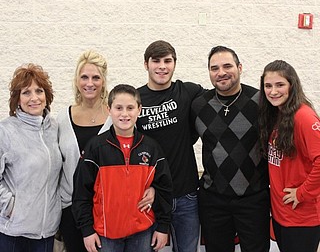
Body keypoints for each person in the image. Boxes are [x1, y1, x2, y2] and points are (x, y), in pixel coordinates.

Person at [57, 50, 154, 252]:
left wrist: (152, 189)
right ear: (76, 80)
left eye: (95, 77)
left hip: (109, 211)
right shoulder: (62, 119)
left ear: (103, 81)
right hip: (70, 208)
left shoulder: (118, 117)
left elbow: (140, 161)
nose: (89, 83)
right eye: (84, 77)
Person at [72, 84, 173, 252]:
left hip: (142, 233)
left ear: (139, 110)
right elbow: (81, 192)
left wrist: (163, 226)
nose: (124, 114)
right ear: (109, 109)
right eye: (118, 108)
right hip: (105, 234)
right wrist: (87, 230)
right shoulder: (96, 148)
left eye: (130, 108)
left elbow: (165, 187)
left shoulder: (151, 148)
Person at [191, 46, 270, 252]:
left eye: (227, 66)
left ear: (240, 68)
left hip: (253, 197)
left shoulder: (261, 101)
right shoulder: (199, 105)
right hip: (213, 199)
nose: (221, 72)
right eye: (214, 68)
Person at [136, 40, 205, 252]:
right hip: (150, 196)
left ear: (175, 63)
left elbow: (220, 101)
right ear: (146, 64)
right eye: (156, 61)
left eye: (167, 61)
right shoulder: (135, 98)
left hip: (186, 195)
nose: (162, 67)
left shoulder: (189, 92)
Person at [258, 60, 320, 252]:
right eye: (268, 86)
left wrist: (301, 193)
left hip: (302, 218)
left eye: (280, 85)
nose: (273, 91)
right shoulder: (278, 114)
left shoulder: (304, 117)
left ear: (292, 86)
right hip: (282, 215)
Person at [0, 64, 62, 252]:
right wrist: (10, 206)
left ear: (47, 96)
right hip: (14, 232)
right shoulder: (6, 131)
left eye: (39, 91)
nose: (34, 98)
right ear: (18, 99)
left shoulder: (54, 127)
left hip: (46, 232)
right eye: (26, 92)